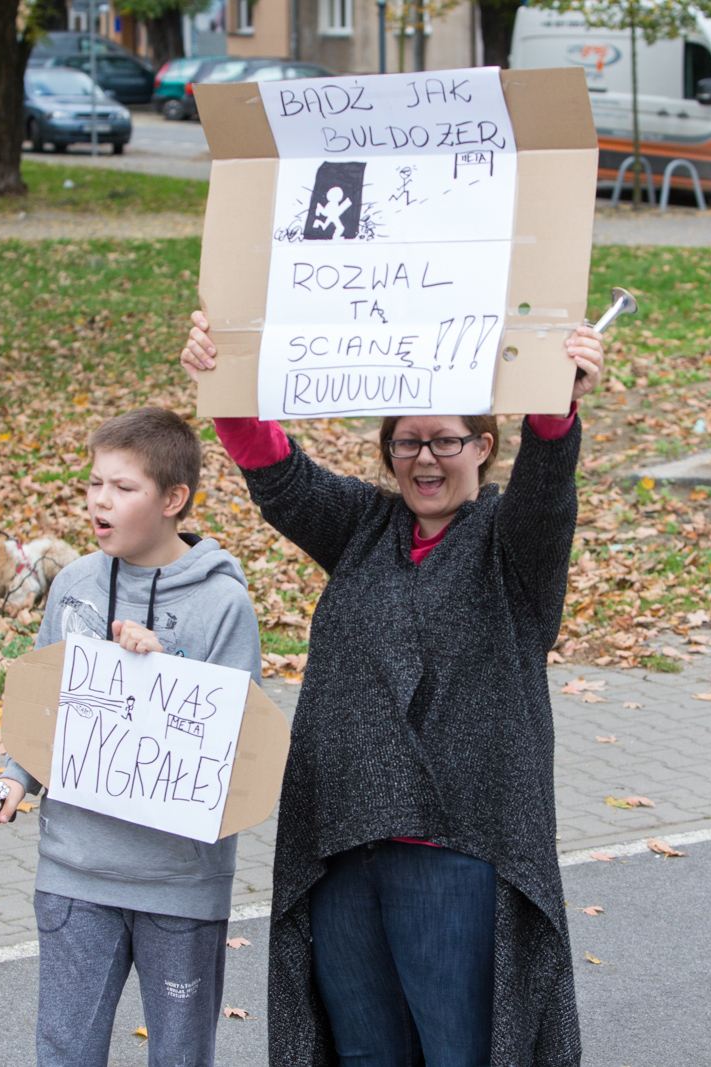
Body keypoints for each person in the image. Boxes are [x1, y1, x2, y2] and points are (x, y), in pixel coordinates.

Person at [180, 312, 605, 1067]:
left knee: (458, 1051)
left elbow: (548, 488)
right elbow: (281, 477)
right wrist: (227, 380)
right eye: (407, 441)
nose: (425, 458)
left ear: (483, 446)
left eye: (446, 440)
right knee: (364, 1053)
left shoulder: (512, 546)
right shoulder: (363, 526)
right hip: (342, 850)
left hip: (457, 857)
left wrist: (553, 397)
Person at [0, 407, 263, 1067]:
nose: (100, 500)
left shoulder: (223, 605)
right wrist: (14, 777)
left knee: (181, 1056)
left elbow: (236, 747)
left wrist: (164, 673)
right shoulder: (74, 585)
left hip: (179, 884)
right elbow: (48, 711)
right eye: (94, 483)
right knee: (64, 1052)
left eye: (123, 487)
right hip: (75, 873)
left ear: (173, 499)